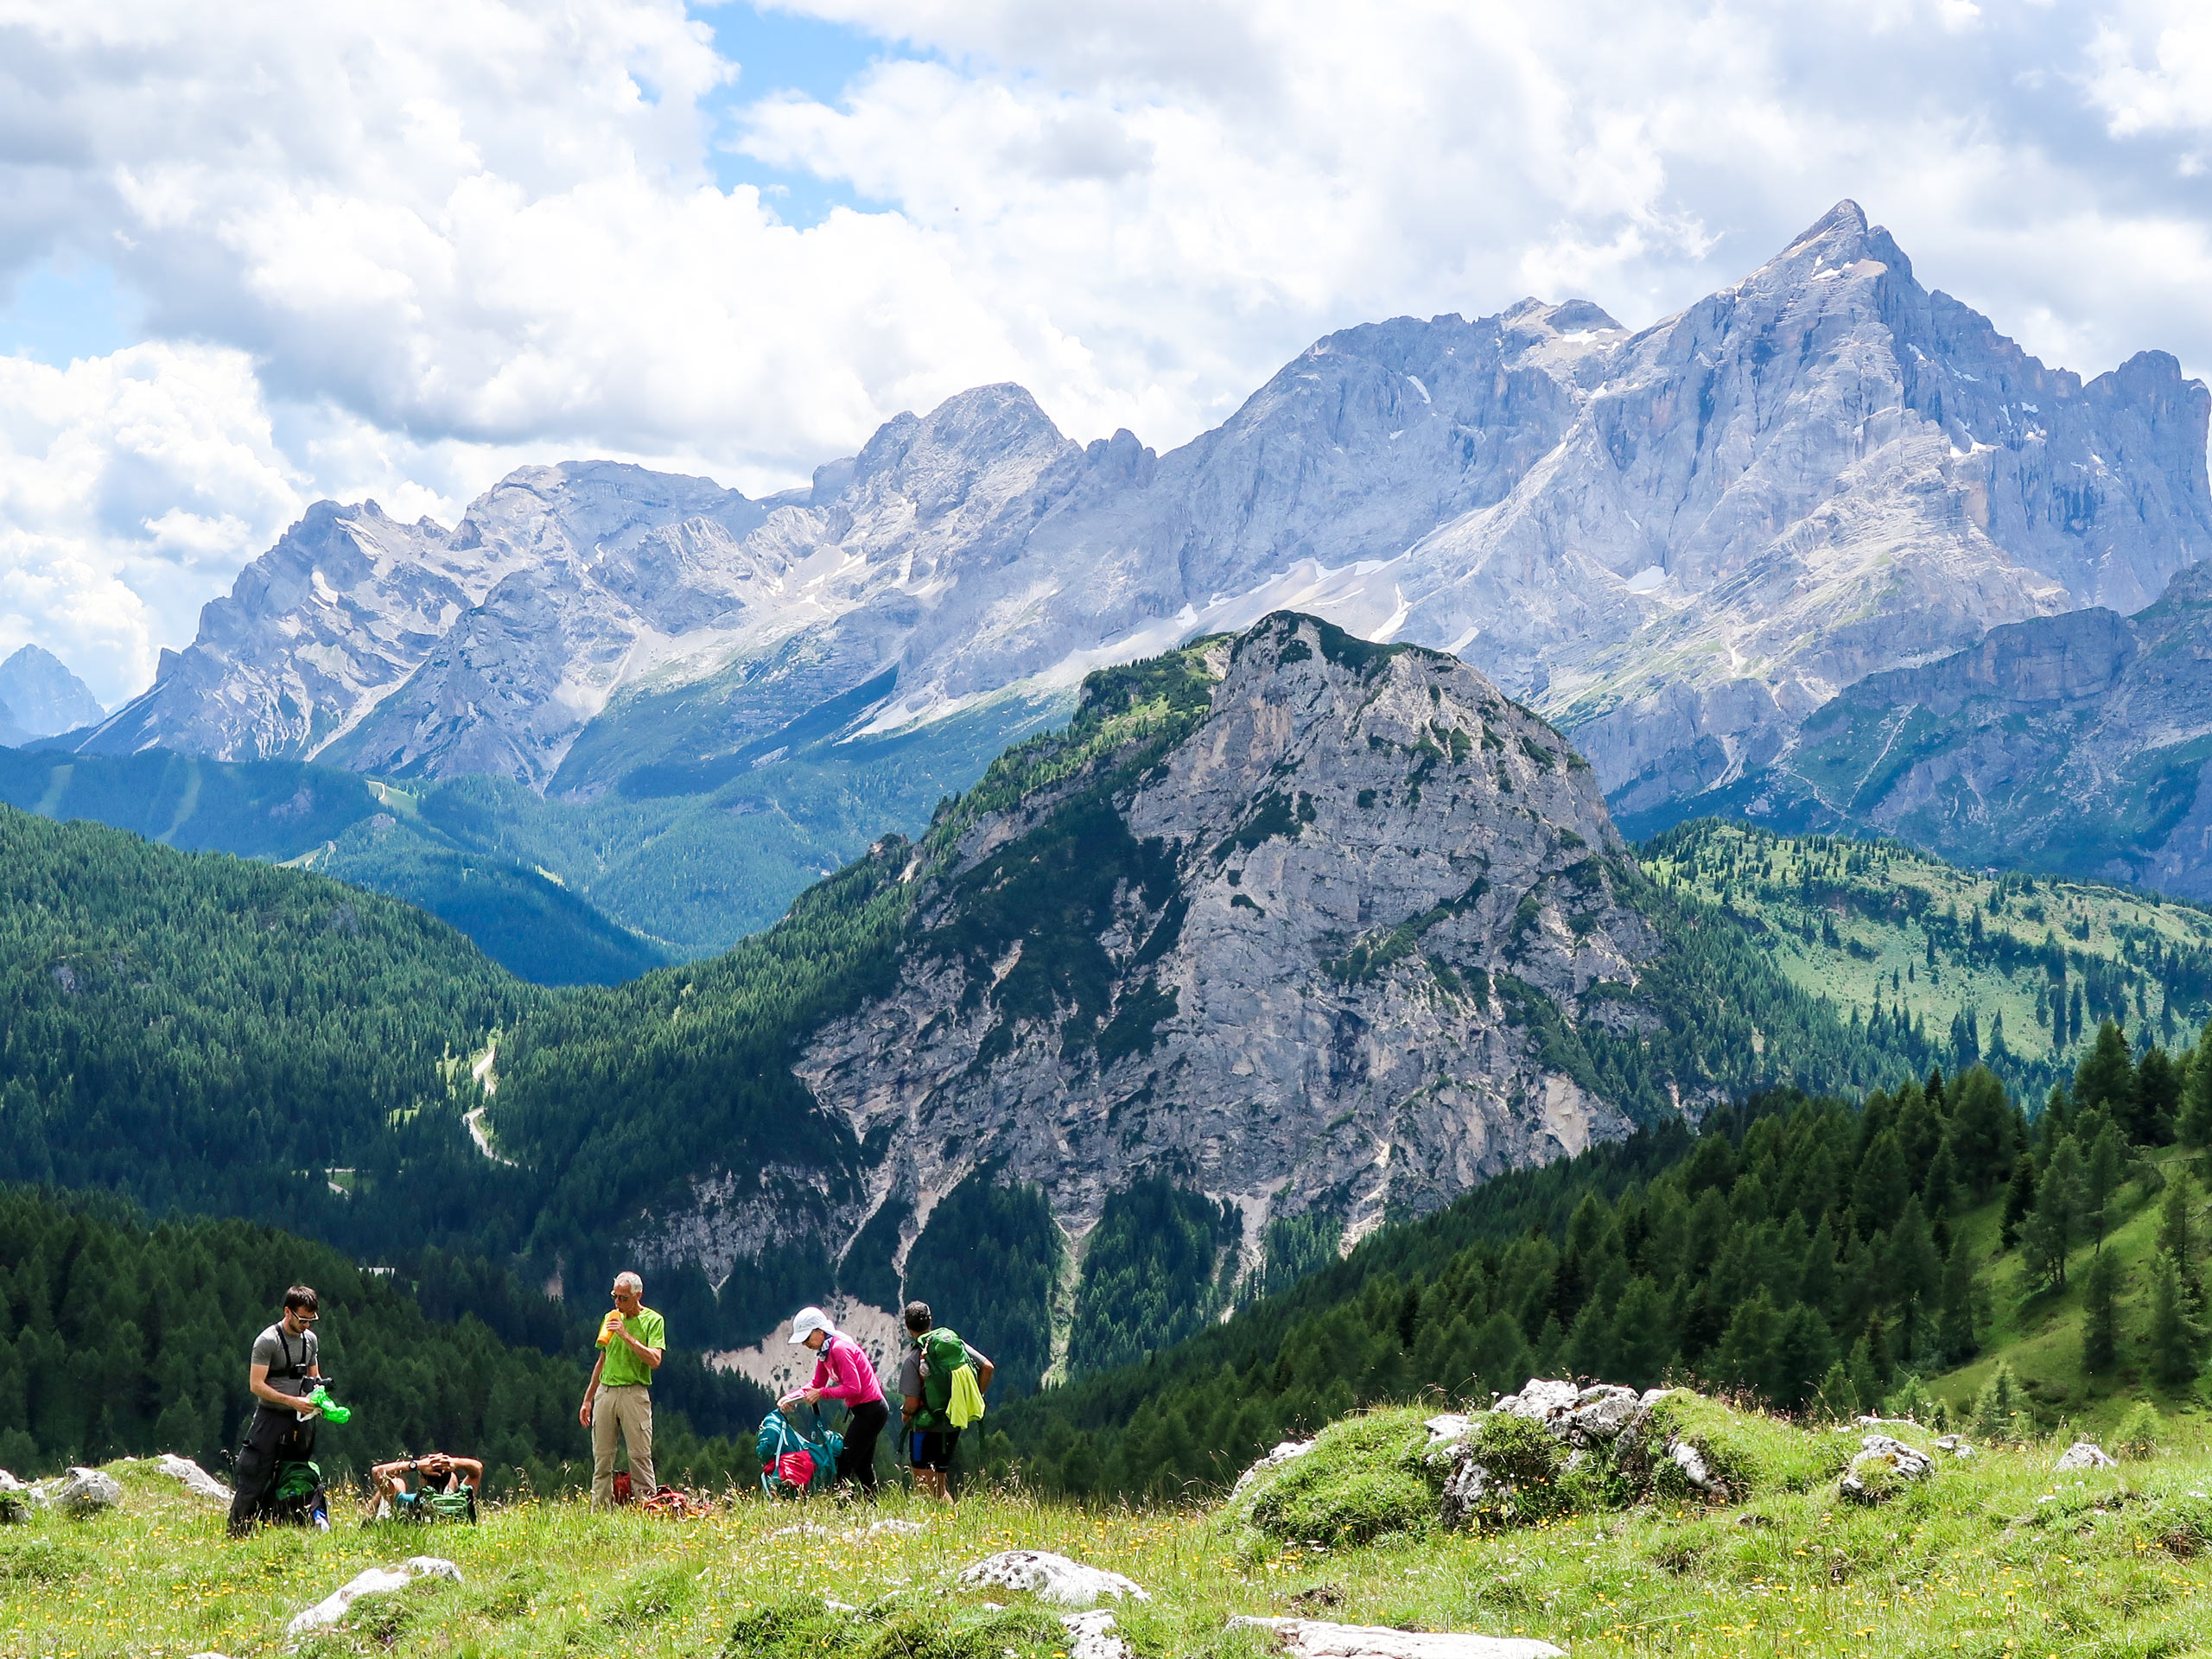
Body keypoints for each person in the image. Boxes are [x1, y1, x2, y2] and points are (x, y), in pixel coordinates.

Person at [228, 1285, 327, 1537]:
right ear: (288, 1311)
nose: (307, 1325)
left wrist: (320, 1399)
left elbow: (314, 1377)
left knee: (296, 1474)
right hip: (270, 1417)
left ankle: (289, 1529)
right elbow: (256, 1385)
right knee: (255, 1473)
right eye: (302, 1319)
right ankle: (238, 1534)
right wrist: (292, 1401)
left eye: (311, 1320)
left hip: (301, 1419)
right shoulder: (267, 1341)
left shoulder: (311, 1341)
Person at [580, 1270, 664, 1507]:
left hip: (634, 1392)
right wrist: (588, 1399)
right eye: (615, 1297)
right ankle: (600, 1510)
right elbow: (602, 1359)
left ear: (638, 1295)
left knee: (639, 1455)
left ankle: (647, 1506)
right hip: (606, 1391)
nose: (618, 1303)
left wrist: (627, 1336)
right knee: (602, 1457)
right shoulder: (610, 1317)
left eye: (623, 1298)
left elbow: (655, 1360)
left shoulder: (653, 1321)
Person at [898, 1300, 994, 1503]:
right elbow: (987, 1367)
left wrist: (905, 1414)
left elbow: (912, 1403)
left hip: (924, 1429)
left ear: (907, 1326)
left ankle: (939, 1526)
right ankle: (952, 1524)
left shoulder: (913, 1359)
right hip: (952, 1423)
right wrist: (975, 1396)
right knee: (940, 1486)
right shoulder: (954, 1346)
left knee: (924, 1486)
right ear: (930, 1321)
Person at [788, 1305, 888, 1497]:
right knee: (862, 1465)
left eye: (806, 1338)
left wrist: (822, 1393)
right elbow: (816, 1383)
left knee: (846, 1462)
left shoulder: (839, 1349)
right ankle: (873, 1504)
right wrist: (789, 1399)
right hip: (866, 1411)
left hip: (871, 1411)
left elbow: (853, 1388)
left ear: (819, 1331)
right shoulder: (825, 1353)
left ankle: (843, 1508)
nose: (804, 1344)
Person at [362, 1451, 485, 1522]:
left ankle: (368, 1516)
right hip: (451, 1514)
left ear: (422, 1479)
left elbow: (377, 1471)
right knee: (453, 1478)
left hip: (402, 1521)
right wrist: (455, 1462)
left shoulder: (410, 1503)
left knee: (397, 1482)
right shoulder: (463, 1499)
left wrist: (417, 1465)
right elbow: (477, 1468)